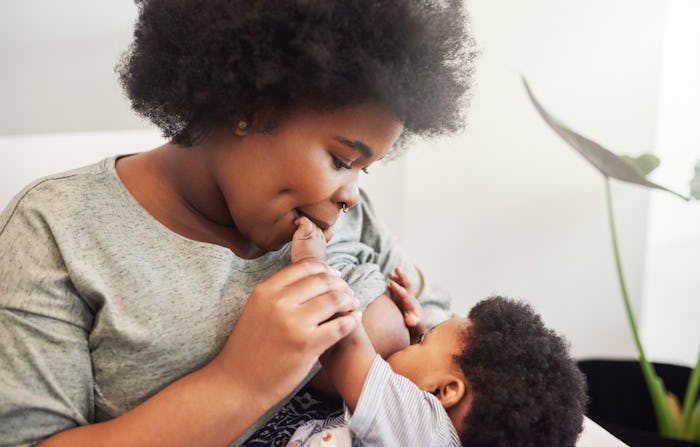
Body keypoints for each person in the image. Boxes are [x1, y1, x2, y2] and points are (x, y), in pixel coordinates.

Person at [0, 1, 476, 446]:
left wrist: (418, 341)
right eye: (340, 159)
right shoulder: (56, 230)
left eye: (362, 170)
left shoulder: (346, 216)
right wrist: (241, 381)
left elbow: (453, 351)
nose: (351, 194)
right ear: (248, 109)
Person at [286, 218, 588, 447]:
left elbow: (343, 346)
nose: (412, 337)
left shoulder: (419, 425)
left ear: (445, 392)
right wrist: (422, 335)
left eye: (420, 341)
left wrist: (311, 263)